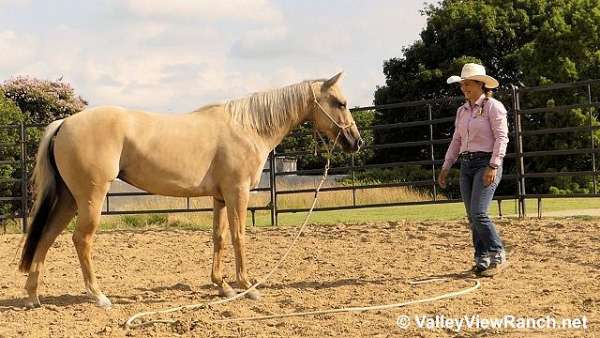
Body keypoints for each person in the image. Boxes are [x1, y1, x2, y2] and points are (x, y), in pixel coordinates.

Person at [438, 63, 509, 276]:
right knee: (473, 216)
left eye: (468, 84)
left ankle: (497, 254)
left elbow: (501, 138)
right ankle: (482, 258)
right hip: (467, 165)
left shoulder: (493, 107)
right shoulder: (462, 111)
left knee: (479, 213)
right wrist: (446, 166)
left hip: (486, 163)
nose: (464, 88)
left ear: (480, 84)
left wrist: (493, 164)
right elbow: (457, 140)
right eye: (462, 85)